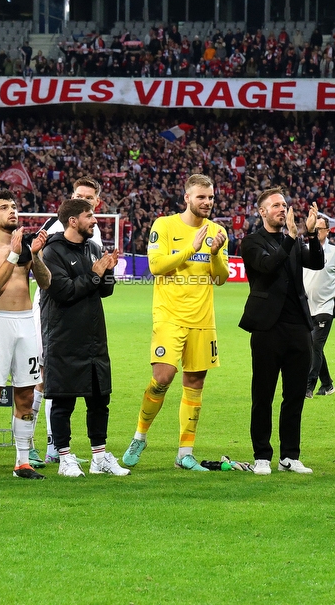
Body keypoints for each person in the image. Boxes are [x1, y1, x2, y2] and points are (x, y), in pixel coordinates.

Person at [122, 174, 229, 472]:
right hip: (169, 316)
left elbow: (220, 278)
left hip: (203, 320)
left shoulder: (218, 231)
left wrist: (216, 253)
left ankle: (185, 453)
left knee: (194, 384)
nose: (207, 202)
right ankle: (140, 436)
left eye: (210, 197)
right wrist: (191, 249)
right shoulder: (164, 225)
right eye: (201, 197)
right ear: (187, 198)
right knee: (163, 377)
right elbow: (156, 267)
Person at [40, 199, 127, 477]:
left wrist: (109, 269)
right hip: (64, 338)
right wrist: (95, 274)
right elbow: (64, 291)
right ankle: (64, 458)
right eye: (89, 216)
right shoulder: (52, 252)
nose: (95, 220)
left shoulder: (93, 248)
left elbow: (104, 292)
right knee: (64, 401)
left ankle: (99, 458)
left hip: (94, 337)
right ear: (73, 221)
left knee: (100, 399)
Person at [240, 190, 324, 476]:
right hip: (266, 328)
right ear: (262, 212)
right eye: (276, 205)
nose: (282, 208)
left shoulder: (294, 239)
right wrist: (291, 237)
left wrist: (310, 235)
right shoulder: (251, 242)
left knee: (295, 395)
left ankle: (290, 455)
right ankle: (262, 455)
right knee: (263, 394)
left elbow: (316, 263)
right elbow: (267, 265)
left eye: (284, 205)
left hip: (299, 326)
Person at [0, 190, 51, 480]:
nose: (12, 210)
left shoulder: (26, 247)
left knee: (26, 395)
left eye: (14, 206)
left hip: (26, 323)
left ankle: (22, 462)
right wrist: (15, 254)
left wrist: (36, 256)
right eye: (4, 207)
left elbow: (46, 282)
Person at [32, 177, 104, 465]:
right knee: (46, 377)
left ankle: (56, 446)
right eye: (80, 196)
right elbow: (52, 281)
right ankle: (41, 444)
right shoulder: (53, 231)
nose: (86, 201)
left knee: (82, 383)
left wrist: (102, 274)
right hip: (51, 312)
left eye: (90, 198)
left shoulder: (94, 237)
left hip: (84, 317)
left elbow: (100, 284)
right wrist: (94, 276)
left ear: (97, 201)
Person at [304, 216, 335, 398]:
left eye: (320, 229)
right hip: (306, 307)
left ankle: (308, 387)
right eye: (314, 229)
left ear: (328, 231)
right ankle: (327, 384)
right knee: (313, 346)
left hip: (326, 307)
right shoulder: (305, 250)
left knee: (314, 346)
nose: (317, 232)